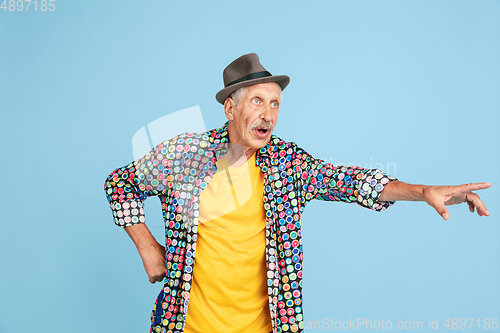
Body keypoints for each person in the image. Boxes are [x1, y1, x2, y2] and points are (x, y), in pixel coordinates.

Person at [104, 53, 490, 333]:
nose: (268, 114)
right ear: (230, 109)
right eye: (257, 101)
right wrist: (147, 246)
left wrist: (424, 192)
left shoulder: (287, 163)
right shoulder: (185, 156)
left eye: (275, 104)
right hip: (185, 325)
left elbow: (351, 182)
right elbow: (119, 184)